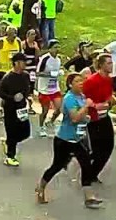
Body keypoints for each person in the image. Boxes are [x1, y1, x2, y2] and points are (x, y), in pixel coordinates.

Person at [36, 72, 103, 208]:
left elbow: (83, 116)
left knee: (86, 165)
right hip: (64, 140)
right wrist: (86, 107)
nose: (81, 83)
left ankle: (89, 197)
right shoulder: (69, 98)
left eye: (82, 81)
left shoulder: (82, 97)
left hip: (77, 139)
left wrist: (89, 114)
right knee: (57, 166)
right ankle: (41, 186)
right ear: (70, 85)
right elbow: (74, 118)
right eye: (77, 81)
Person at [83, 53, 116, 181]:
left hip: (104, 117)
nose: (112, 65)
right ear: (101, 65)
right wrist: (94, 105)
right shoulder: (91, 81)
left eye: (112, 62)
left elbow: (108, 95)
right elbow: (82, 98)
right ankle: (87, 172)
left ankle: (92, 174)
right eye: (109, 63)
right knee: (97, 150)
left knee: (109, 146)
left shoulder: (109, 79)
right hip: (93, 119)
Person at [0, 52, 33, 166]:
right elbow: (0, 92)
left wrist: (26, 96)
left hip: (22, 108)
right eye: (23, 62)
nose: (25, 64)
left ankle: (9, 143)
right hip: (10, 108)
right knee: (11, 132)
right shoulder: (7, 77)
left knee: (26, 132)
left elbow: (27, 88)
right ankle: (10, 156)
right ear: (16, 63)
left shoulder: (25, 75)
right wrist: (12, 98)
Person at [36, 39, 64, 138]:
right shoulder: (45, 59)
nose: (57, 49)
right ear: (50, 49)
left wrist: (59, 73)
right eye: (55, 47)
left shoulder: (58, 59)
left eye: (58, 47)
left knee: (60, 108)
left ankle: (50, 122)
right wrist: (51, 74)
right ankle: (41, 127)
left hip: (54, 88)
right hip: (44, 89)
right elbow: (38, 73)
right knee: (45, 111)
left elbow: (58, 72)